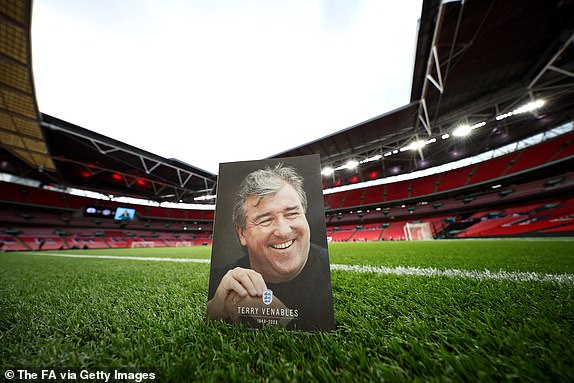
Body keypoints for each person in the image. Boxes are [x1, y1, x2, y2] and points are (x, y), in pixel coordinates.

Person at [207, 163, 335, 330]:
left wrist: (281, 318)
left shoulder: (333, 275)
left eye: (292, 213)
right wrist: (215, 310)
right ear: (241, 233)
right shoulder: (218, 282)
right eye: (265, 220)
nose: (283, 231)